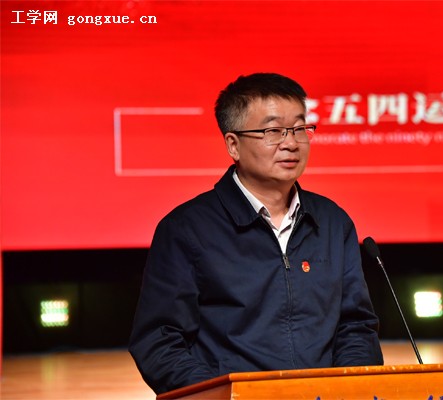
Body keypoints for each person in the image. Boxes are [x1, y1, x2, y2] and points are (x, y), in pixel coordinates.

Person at [128, 72, 384, 394]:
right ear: (233, 145)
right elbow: (159, 341)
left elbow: (356, 326)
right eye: (273, 131)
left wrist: (348, 392)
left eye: (300, 128)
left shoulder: (333, 222)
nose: (291, 143)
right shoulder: (187, 229)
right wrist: (224, 396)